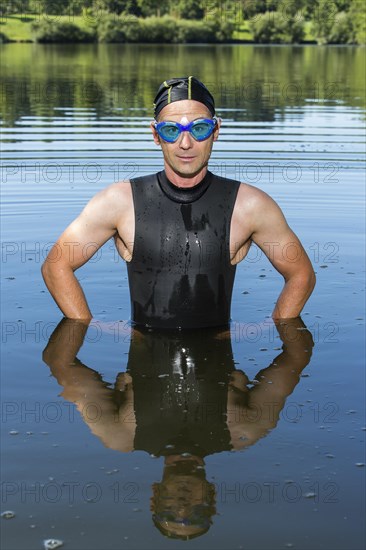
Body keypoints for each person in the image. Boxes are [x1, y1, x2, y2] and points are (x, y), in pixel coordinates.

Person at [41, 76, 316, 329]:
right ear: (155, 134)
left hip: (219, 372)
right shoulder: (119, 202)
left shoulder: (250, 205)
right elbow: (56, 265)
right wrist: (89, 326)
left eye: (199, 128)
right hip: (143, 371)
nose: (186, 143)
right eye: (172, 130)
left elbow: (301, 274)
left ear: (216, 130)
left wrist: (272, 327)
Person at [42, 316, 314, 540]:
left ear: (154, 499)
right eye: (197, 513)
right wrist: (274, 324)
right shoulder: (246, 429)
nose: (183, 506)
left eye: (169, 513)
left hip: (149, 328)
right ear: (212, 498)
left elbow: (59, 363)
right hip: (214, 326)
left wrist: (89, 324)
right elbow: (296, 359)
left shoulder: (119, 434)